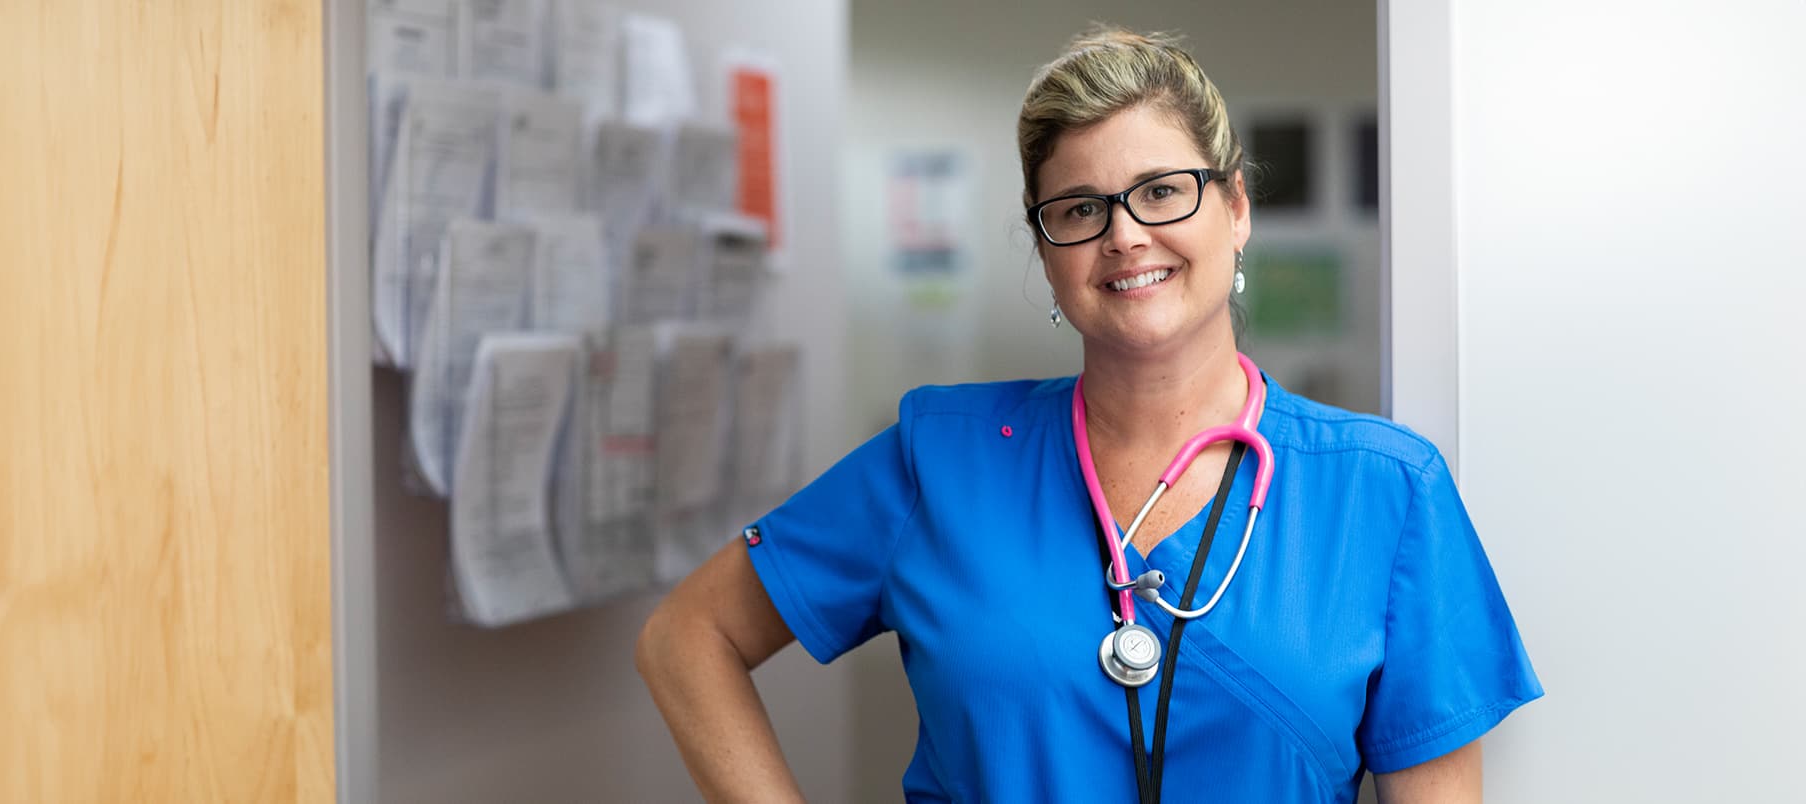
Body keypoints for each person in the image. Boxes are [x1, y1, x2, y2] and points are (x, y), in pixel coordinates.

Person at [637, 26, 1541, 804]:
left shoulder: (1384, 493)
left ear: (1235, 209)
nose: (1124, 235)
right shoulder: (939, 461)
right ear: (1045, 248)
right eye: (1079, 208)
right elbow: (689, 637)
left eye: (1160, 191)